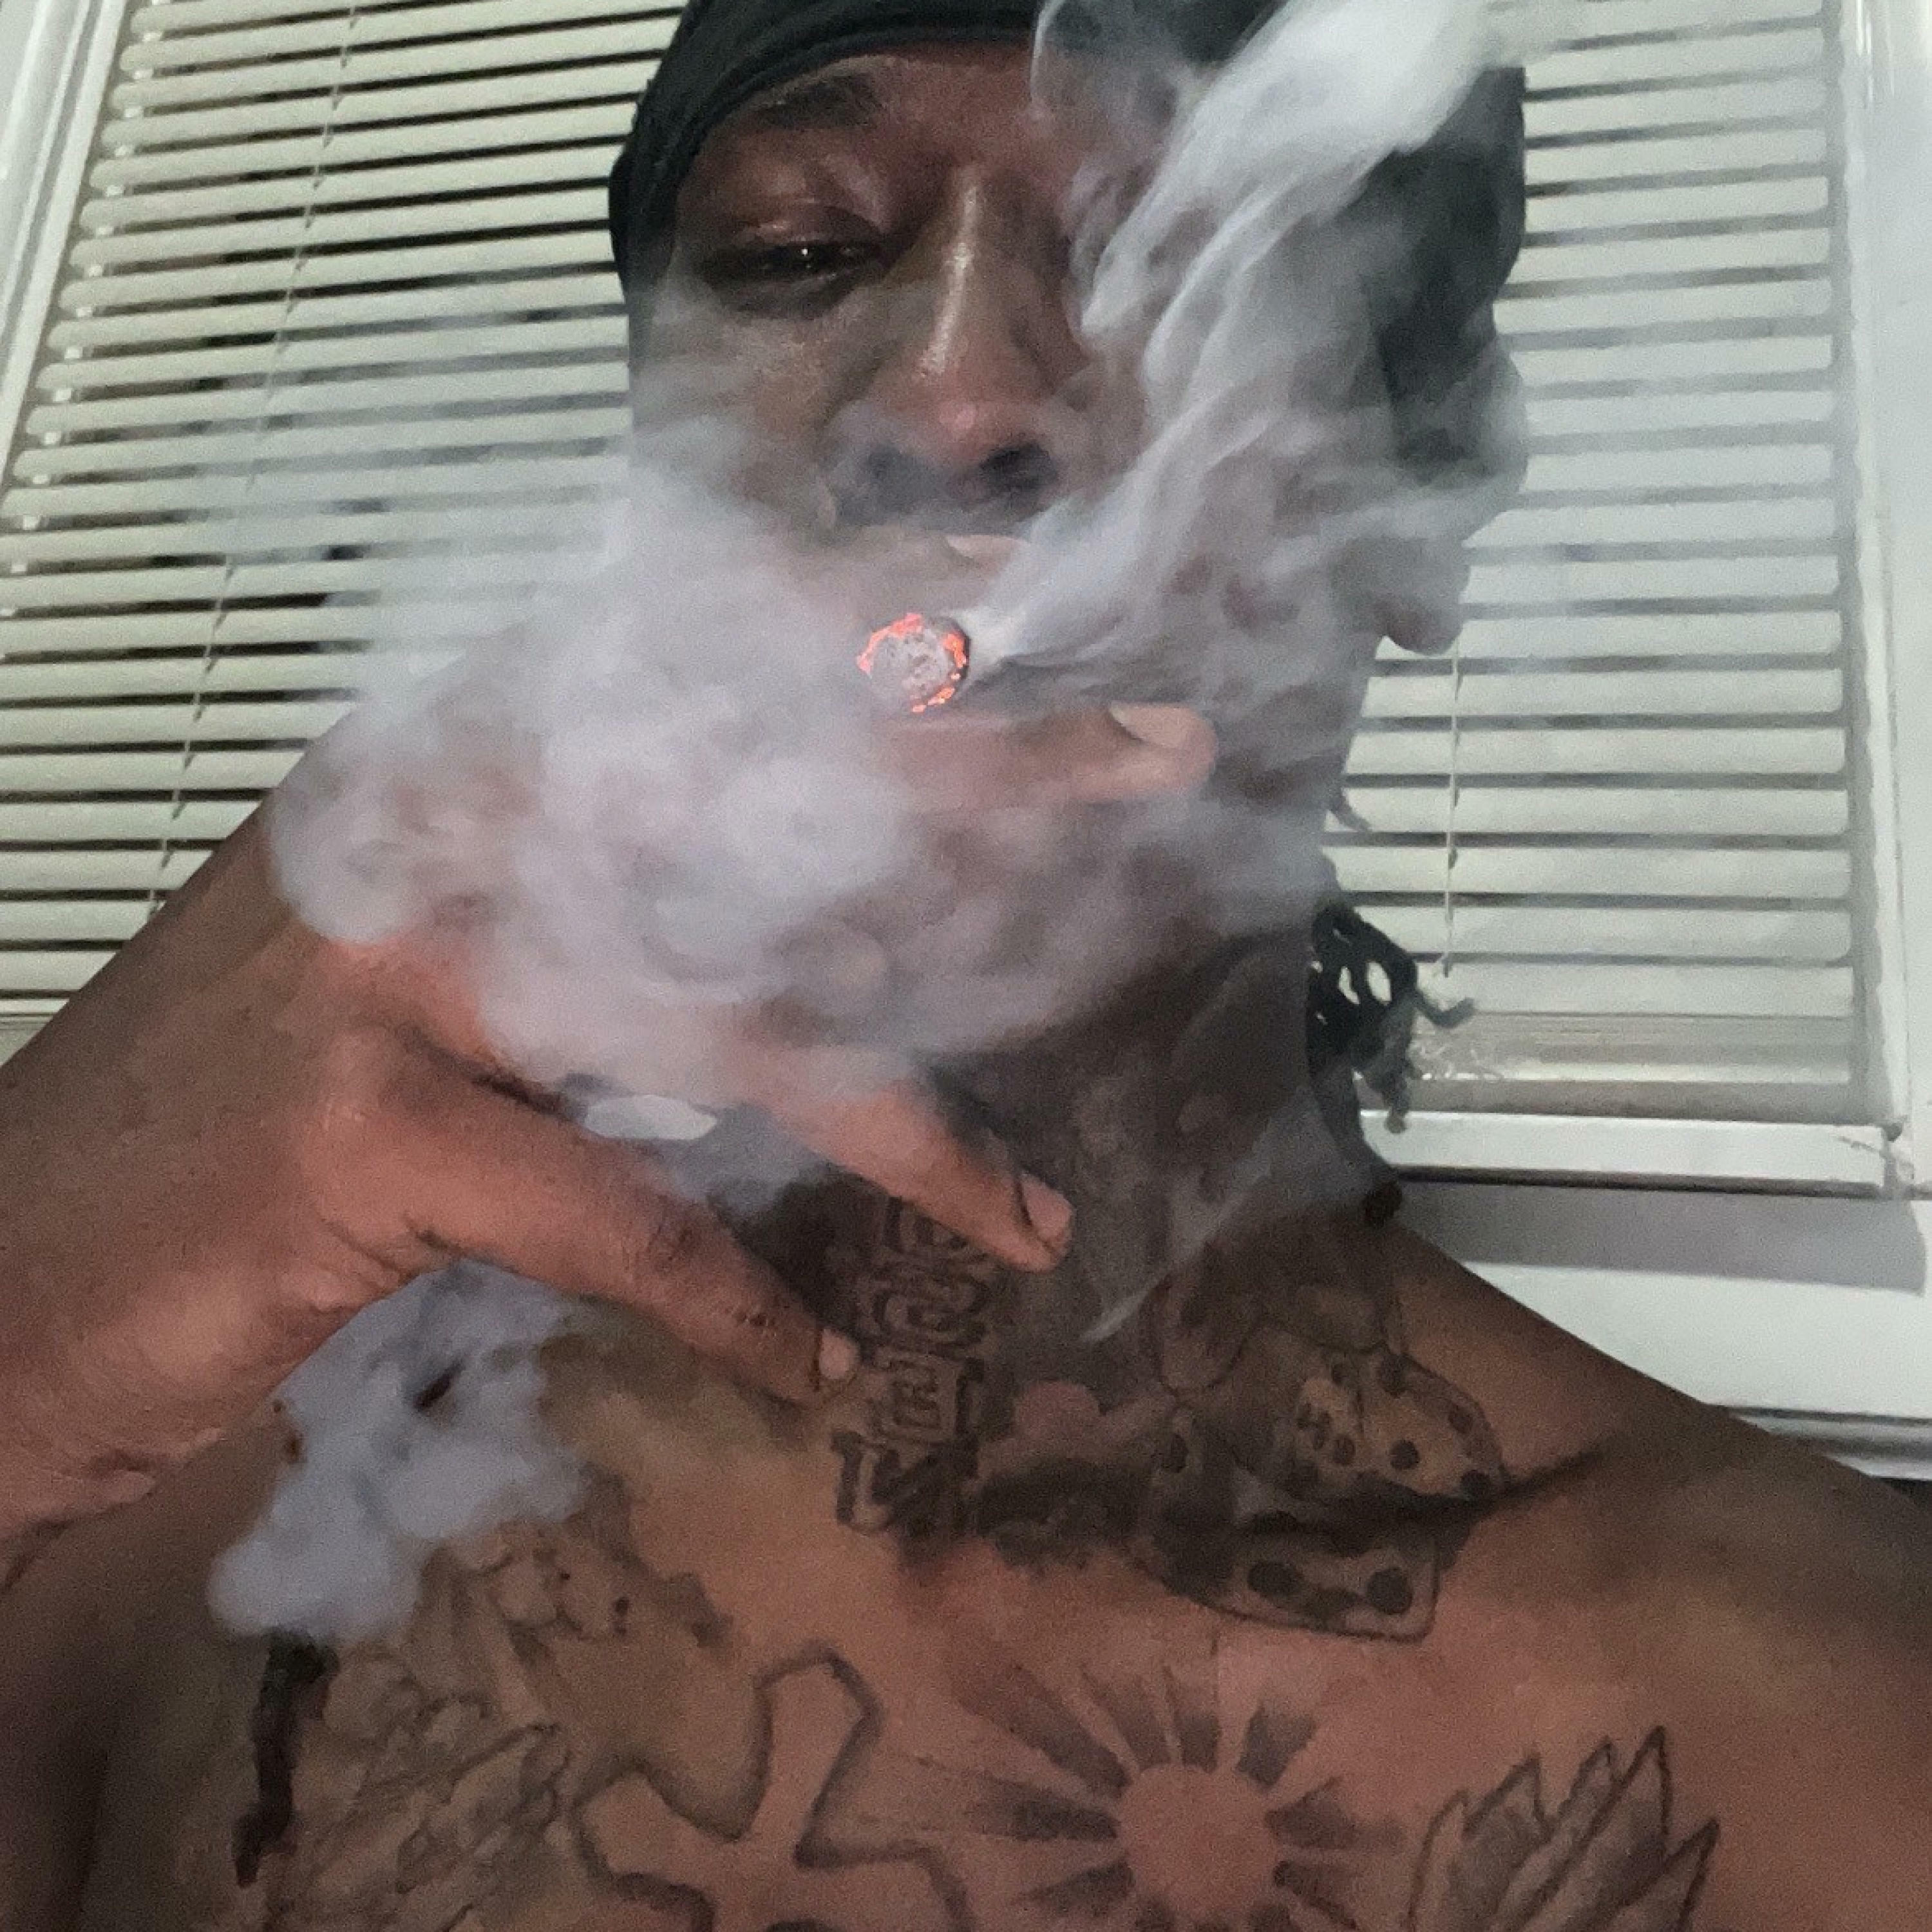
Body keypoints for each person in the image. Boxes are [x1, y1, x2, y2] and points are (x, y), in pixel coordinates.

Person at [2, 1, 1930, 1927]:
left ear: (1426, 504)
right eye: (798, 251)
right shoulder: (150, 1489)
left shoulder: (1835, 1730)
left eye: (1163, 254)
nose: (951, 401)